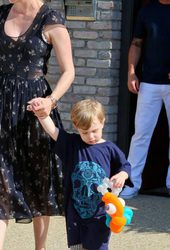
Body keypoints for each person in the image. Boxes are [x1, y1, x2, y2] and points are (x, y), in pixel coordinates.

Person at [0, 0, 74, 249]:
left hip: (34, 108)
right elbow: (0, 61)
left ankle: (39, 248)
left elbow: (69, 71)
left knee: (38, 177)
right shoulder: (2, 14)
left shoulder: (50, 19)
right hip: (1, 104)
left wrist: (50, 101)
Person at [29, 98, 131, 250]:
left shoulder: (109, 149)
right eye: (85, 132)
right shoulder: (72, 144)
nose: (91, 136)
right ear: (76, 127)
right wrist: (42, 115)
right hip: (75, 211)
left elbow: (125, 166)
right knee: (77, 247)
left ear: (102, 122)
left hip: (100, 212)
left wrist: (122, 175)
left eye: (94, 131)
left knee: (97, 246)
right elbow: (53, 131)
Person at [120, 0, 170, 199]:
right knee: (140, 135)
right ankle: (131, 184)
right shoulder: (147, 11)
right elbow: (136, 43)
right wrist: (131, 73)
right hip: (148, 82)